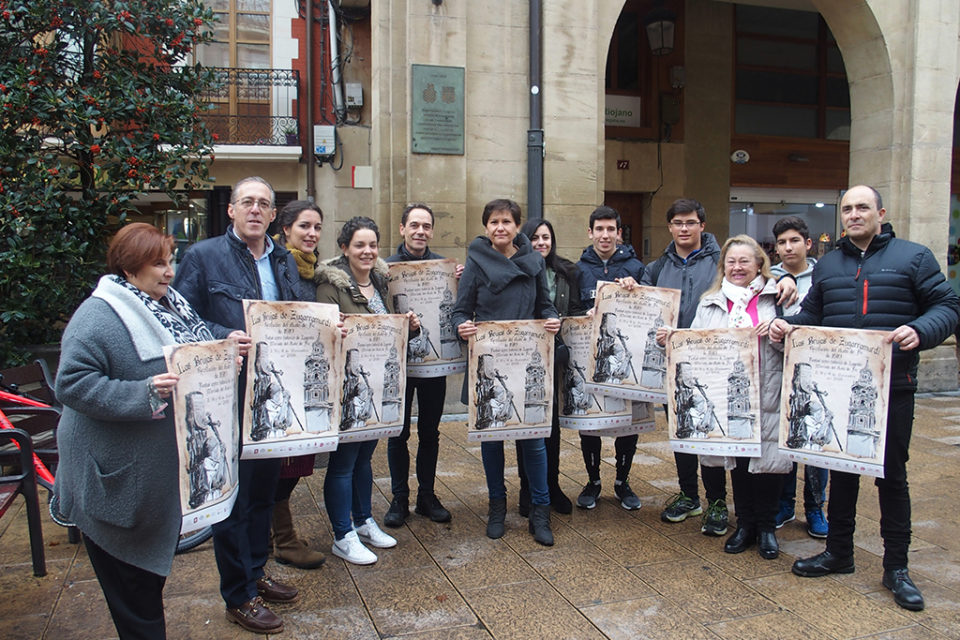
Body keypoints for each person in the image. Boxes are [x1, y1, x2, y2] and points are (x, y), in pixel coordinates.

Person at [770, 185, 960, 611]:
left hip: (893, 385)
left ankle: (897, 567)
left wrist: (922, 330)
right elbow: (814, 315)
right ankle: (839, 552)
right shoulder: (830, 264)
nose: (854, 215)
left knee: (892, 475)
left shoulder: (913, 257)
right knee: (842, 471)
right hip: (837, 386)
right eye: (847, 209)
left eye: (862, 208)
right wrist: (788, 325)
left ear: (880, 212)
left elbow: (948, 305)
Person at [55, 223, 215, 639]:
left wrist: (227, 342)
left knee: (143, 588)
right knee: (135, 591)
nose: (169, 271)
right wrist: (142, 392)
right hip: (115, 481)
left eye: (170, 261)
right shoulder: (99, 314)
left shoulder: (167, 303)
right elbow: (70, 383)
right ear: (129, 268)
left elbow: (192, 339)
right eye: (158, 263)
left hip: (145, 479)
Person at [174, 177, 304, 635]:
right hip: (225, 393)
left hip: (268, 393)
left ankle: (255, 571)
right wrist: (220, 335)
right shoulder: (203, 256)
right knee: (234, 498)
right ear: (231, 210)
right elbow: (180, 317)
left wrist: (328, 328)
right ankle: (238, 595)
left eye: (264, 204)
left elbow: (298, 311)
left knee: (264, 493)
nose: (255, 210)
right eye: (247, 202)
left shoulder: (282, 258)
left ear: (273, 216)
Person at [661, 235, 792, 560]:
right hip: (728, 396)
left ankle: (766, 529)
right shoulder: (711, 302)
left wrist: (778, 331)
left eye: (744, 261)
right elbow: (698, 345)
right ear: (723, 266)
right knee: (739, 461)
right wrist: (674, 340)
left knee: (770, 464)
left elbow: (797, 343)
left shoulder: (778, 298)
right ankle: (744, 525)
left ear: (759, 263)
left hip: (769, 392)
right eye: (731, 262)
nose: (737, 267)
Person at [453, 198, 561, 546]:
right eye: (494, 222)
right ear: (486, 227)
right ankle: (496, 506)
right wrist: (463, 326)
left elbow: (545, 304)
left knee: (534, 441)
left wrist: (552, 319)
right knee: (492, 440)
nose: (500, 228)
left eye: (507, 222)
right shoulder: (476, 261)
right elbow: (459, 310)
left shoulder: (534, 262)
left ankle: (540, 512)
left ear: (517, 227)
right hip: (490, 362)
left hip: (526, 359)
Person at [315, 216, 421, 565]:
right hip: (348, 388)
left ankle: (362, 521)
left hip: (376, 386)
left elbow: (389, 337)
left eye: (372, 245)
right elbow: (322, 336)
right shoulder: (331, 287)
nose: (367, 251)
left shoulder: (380, 283)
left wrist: (409, 328)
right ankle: (342, 534)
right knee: (343, 463)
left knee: (364, 459)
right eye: (359, 245)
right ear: (344, 248)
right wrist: (335, 331)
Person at [383, 203, 457, 528]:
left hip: (433, 366)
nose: (420, 231)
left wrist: (459, 281)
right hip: (399, 365)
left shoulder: (444, 268)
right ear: (402, 229)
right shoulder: (385, 268)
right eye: (414, 225)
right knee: (397, 434)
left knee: (430, 432)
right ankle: (400, 498)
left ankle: (426, 495)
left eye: (426, 226)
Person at [266, 200, 327, 570]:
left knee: (295, 465)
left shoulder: (316, 270)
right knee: (280, 467)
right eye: (304, 226)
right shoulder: (277, 266)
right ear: (286, 229)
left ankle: (276, 534)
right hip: (283, 376)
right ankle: (282, 540)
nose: (312, 234)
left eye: (317, 227)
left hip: (309, 378)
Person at [575, 205, 645, 511]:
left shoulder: (637, 268)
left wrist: (636, 292)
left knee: (627, 425)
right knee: (590, 423)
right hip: (590, 359)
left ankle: (622, 481)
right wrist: (583, 315)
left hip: (623, 360)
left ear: (619, 233)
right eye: (599, 229)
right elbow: (568, 311)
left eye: (611, 229)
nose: (605, 235)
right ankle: (592, 481)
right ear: (590, 232)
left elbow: (648, 311)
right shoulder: (577, 269)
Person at [770, 216, 829, 539]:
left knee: (815, 438)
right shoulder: (767, 278)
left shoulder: (824, 276)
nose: (787, 247)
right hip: (779, 368)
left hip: (816, 369)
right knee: (786, 439)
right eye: (781, 243)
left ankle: (816, 506)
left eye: (794, 241)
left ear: (807, 244)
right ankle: (785, 502)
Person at [517, 218, 579, 515]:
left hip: (555, 358)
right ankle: (526, 489)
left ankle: (552, 485)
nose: (541, 242)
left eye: (546, 237)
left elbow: (577, 309)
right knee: (526, 425)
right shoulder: (517, 269)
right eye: (535, 238)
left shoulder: (566, 271)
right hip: (524, 359)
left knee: (551, 426)